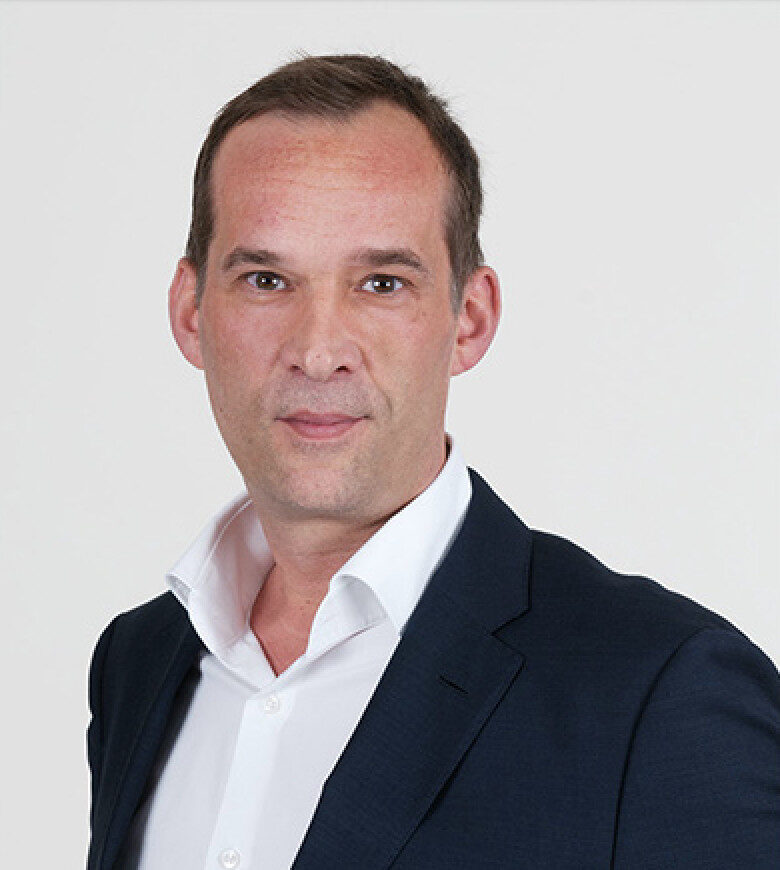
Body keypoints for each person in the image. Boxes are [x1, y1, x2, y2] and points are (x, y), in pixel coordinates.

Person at [86, 54, 780, 870]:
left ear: (470, 320)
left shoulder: (658, 692)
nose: (318, 351)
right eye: (267, 279)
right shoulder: (138, 662)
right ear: (191, 313)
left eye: (382, 283)